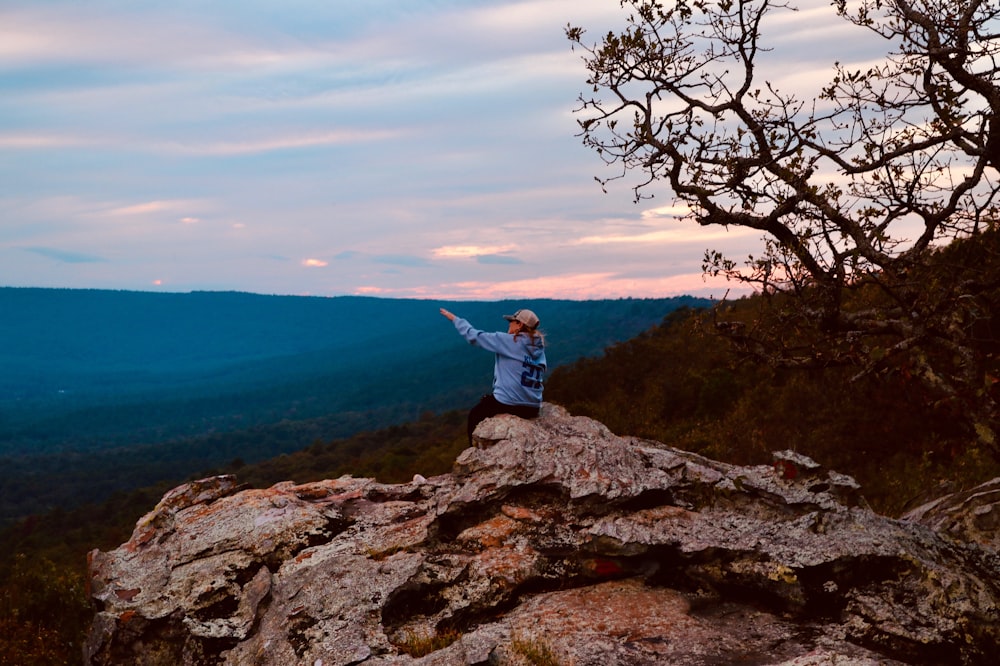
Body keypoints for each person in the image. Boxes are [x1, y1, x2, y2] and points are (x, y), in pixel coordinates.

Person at [439, 306, 546, 445]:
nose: (509, 324)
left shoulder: (509, 341)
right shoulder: (539, 348)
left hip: (512, 403)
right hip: (533, 406)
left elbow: (474, 337)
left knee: (475, 414)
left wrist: (455, 319)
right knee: (488, 400)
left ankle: (473, 450)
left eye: (512, 321)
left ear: (519, 325)